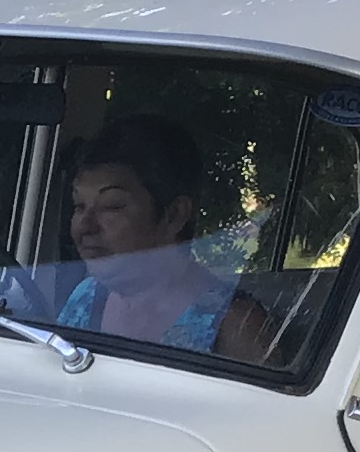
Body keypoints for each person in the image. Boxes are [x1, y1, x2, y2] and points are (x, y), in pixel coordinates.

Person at [56, 116, 237, 351]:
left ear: (174, 215)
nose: (85, 226)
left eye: (111, 206)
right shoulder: (85, 298)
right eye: (79, 205)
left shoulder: (233, 327)